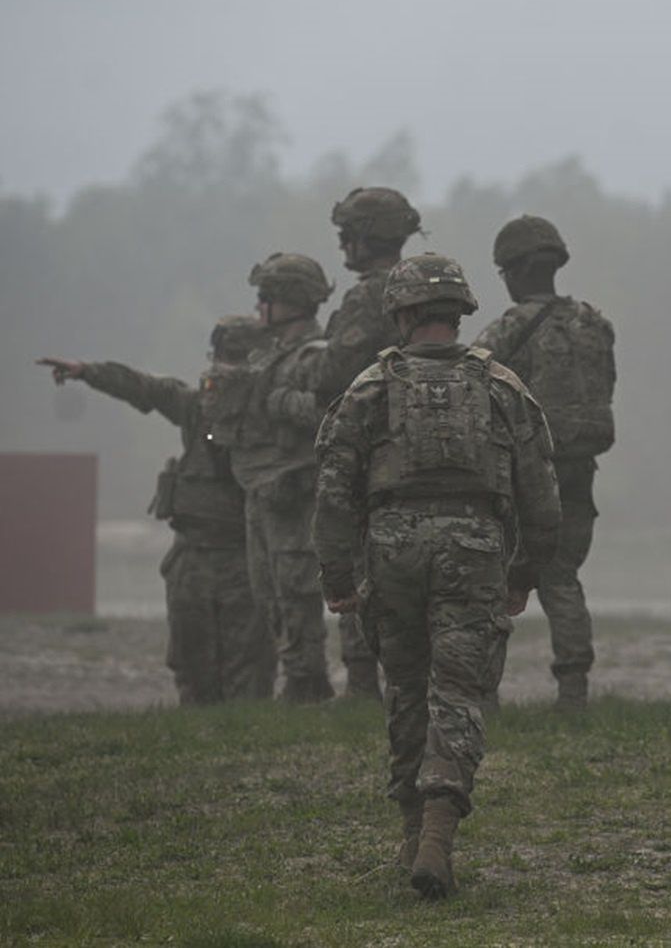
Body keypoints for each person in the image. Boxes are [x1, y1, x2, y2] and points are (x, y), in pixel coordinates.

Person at [313, 253, 561, 899]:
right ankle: (437, 835)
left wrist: (336, 575)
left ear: (400, 312)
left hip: (391, 548)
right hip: (475, 546)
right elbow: (542, 493)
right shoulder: (503, 385)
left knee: (406, 687)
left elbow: (334, 490)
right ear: (459, 312)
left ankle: (408, 834)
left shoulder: (369, 386)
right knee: (458, 690)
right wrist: (525, 573)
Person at [36, 316, 276, 705]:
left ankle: (245, 741)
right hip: (193, 555)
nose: (225, 370)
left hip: (245, 558)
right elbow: (145, 387)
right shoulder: (198, 407)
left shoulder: (273, 413)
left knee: (248, 671)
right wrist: (87, 373)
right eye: (222, 359)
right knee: (193, 665)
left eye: (234, 358)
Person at [474, 215, 615, 711]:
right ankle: (573, 692)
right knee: (561, 578)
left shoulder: (510, 328)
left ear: (512, 271)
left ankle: (483, 693)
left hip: (527, 474)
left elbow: (478, 389)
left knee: (495, 579)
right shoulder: (594, 322)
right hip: (581, 472)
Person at [304, 186, 423, 699]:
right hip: (420, 445)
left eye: (348, 235)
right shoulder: (426, 285)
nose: (343, 246)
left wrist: (302, 366)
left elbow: (333, 370)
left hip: (368, 447)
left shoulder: (367, 295)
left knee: (356, 565)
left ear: (367, 236)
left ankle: (361, 682)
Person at [209, 252, 337, 702]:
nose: (260, 307)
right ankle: (297, 674)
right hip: (261, 492)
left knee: (296, 589)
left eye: (268, 297)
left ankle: (308, 679)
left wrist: (283, 402)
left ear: (293, 301)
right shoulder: (272, 357)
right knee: (269, 591)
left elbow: (333, 414)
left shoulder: (316, 357)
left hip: (296, 494)